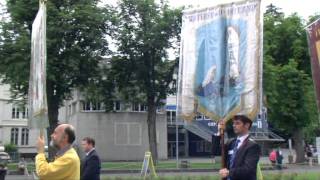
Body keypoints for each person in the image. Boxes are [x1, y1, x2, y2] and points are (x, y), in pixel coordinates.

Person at [214, 115, 261, 180]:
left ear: (247, 125)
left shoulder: (252, 146)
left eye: (237, 123)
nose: (234, 125)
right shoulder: (231, 142)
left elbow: (248, 169)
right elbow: (216, 151)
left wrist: (229, 172)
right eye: (233, 123)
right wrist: (219, 132)